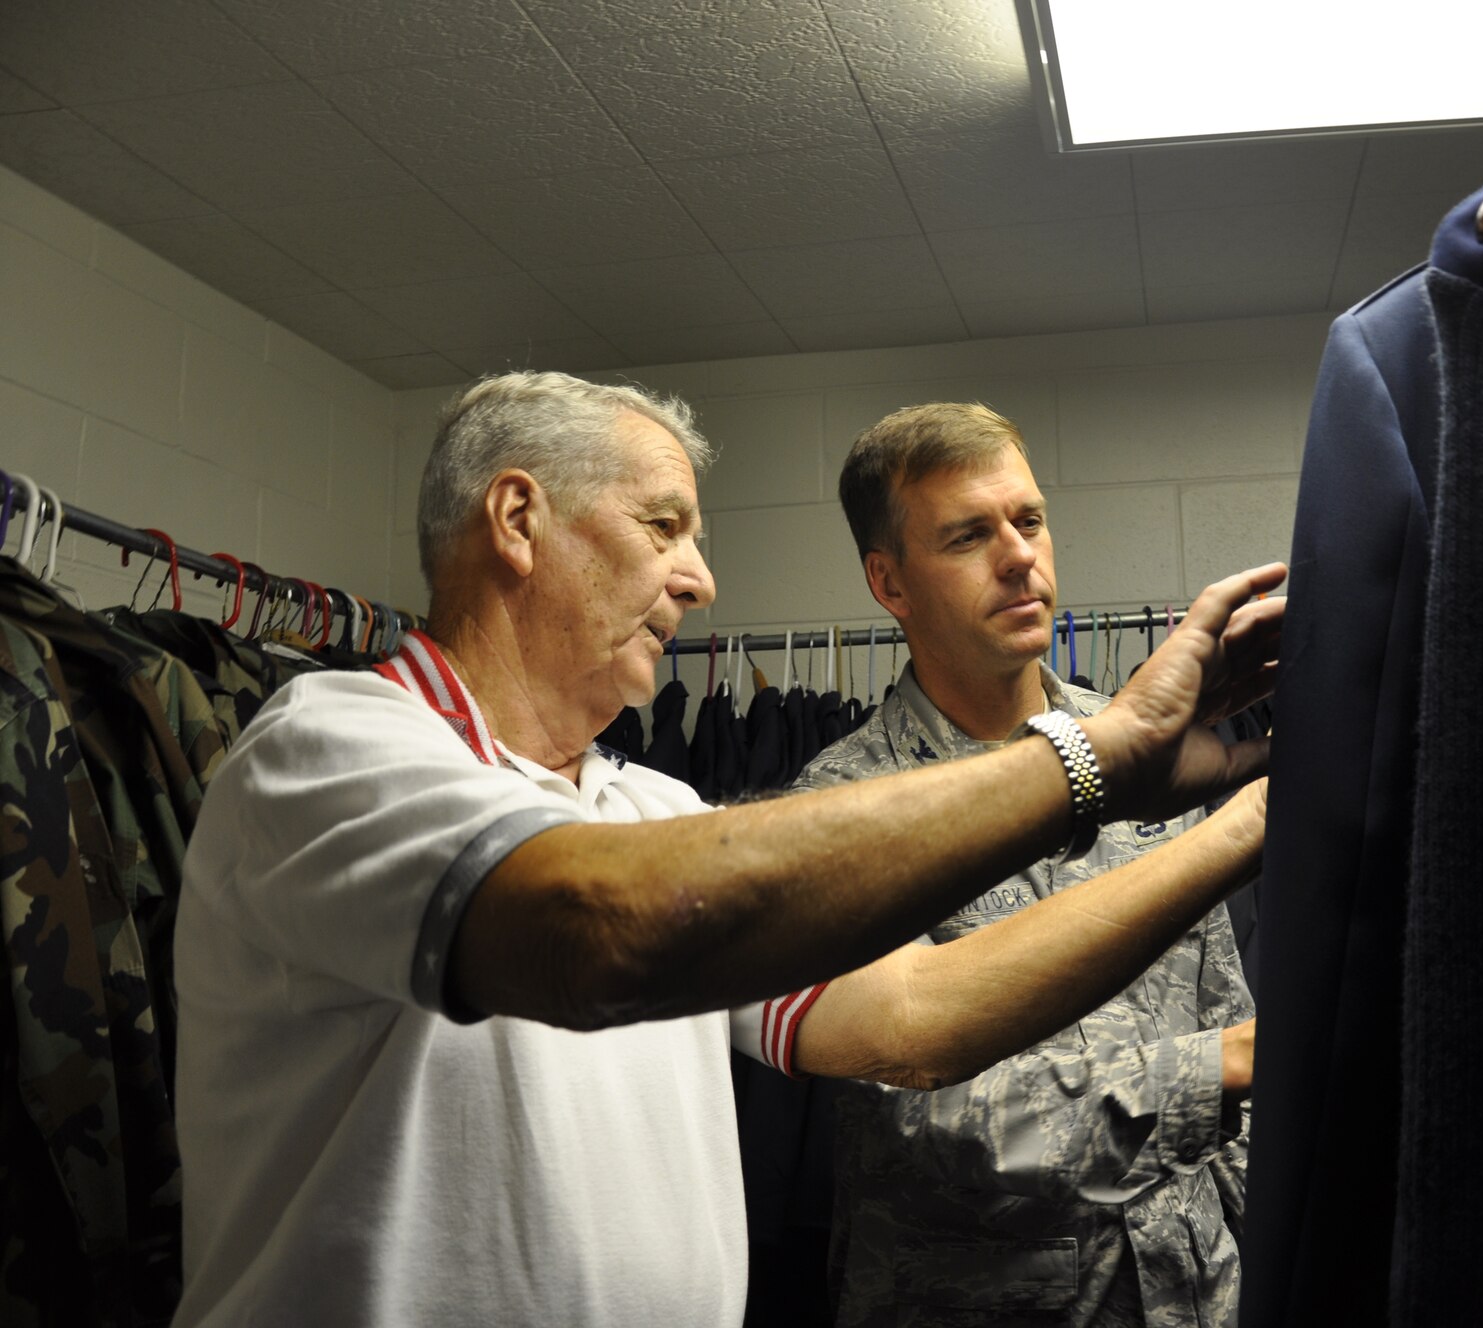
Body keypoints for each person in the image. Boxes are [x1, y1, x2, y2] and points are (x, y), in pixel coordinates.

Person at [169, 372, 1283, 1327]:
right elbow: (596, 930)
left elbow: (913, 1016)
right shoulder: (330, 745)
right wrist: (1097, 758)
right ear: (516, 517)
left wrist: (1244, 822)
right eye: (663, 527)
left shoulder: (648, 802)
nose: (701, 580)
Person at [792, 403, 1254, 1326]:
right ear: (890, 582)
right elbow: (935, 1125)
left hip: (1191, 1297)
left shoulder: (1145, 748)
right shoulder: (838, 815)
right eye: (969, 535)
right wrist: (1226, 1069)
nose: (1018, 557)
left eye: (1029, 521)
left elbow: (1227, 1005)